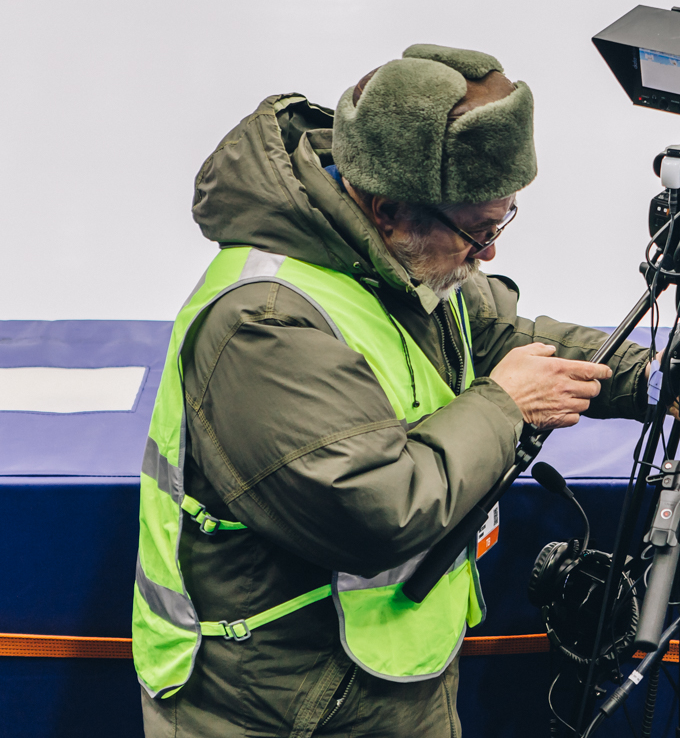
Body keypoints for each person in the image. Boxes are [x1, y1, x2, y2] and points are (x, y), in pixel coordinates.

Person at [132, 44, 652, 737]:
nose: (490, 251)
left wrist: (652, 375)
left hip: (385, 672)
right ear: (385, 209)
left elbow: (495, 333)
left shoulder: (399, 257)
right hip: (279, 703)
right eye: (478, 228)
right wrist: (506, 406)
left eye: (502, 218)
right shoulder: (264, 321)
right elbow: (372, 507)